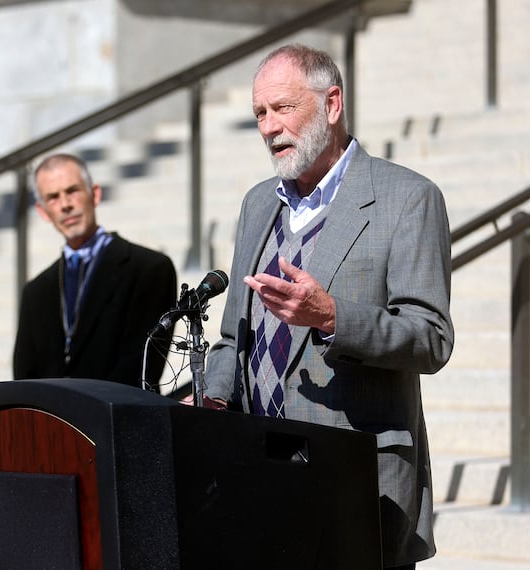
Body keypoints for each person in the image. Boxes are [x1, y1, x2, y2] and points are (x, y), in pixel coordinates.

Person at [202, 44, 454, 569]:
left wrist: (333, 318)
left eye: (284, 108)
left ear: (332, 103)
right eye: (259, 114)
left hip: (358, 480)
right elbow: (233, 337)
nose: (270, 127)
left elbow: (430, 338)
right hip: (261, 471)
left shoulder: (407, 197)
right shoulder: (258, 203)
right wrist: (215, 397)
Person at [13, 153, 178, 389]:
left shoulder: (149, 269)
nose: (65, 204)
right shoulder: (35, 292)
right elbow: (24, 380)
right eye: (53, 197)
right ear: (42, 212)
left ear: (95, 194)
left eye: (72, 191)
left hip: (121, 418)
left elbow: (142, 367)